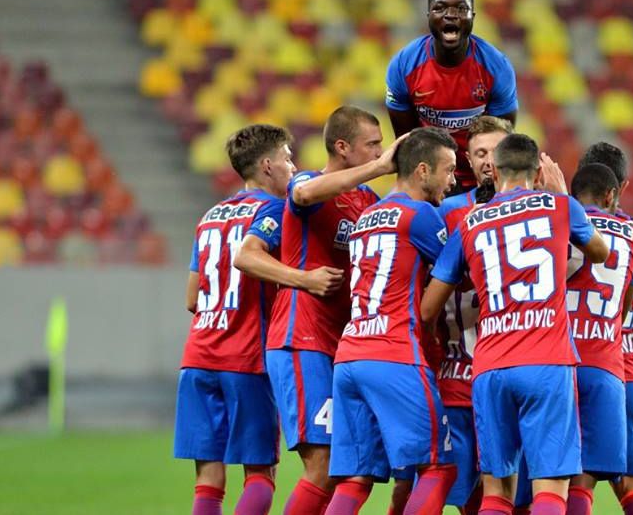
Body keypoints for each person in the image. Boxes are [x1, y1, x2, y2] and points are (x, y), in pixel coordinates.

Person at [422, 134, 608, 515]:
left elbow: (427, 309)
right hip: (547, 360)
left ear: (497, 171)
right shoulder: (558, 205)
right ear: (538, 171)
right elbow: (600, 252)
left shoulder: (471, 221)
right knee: (550, 487)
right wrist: (563, 197)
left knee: (496, 490)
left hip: (489, 365)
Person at [175, 124, 343, 515]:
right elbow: (254, 260)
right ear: (267, 165)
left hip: (197, 357)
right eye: (287, 158)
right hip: (245, 356)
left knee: (208, 477)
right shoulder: (274, 210)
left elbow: (191, 298)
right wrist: (303, 281)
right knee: (260, 474)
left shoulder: (211, 215)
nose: (293, 165)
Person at [264, 107, 401, 515]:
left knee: (351, 468)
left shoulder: (366, 201)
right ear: (342, 147)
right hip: (301, 338)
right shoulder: (307, 181)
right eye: (372, 145)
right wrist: (378, 167)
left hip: (342, 349)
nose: (381, 152)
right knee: (323, 466)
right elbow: (303, 196)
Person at [326, 127, 459, 515]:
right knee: (438, 466)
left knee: (355, 478)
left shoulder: (367, 215)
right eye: (448, 170)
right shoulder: (419, 215)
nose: (451, 181)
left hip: (350, 354)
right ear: (422, 171)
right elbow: (458, 271)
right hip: (394, 352)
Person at [435, 115, 512, 514]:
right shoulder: (446, 211)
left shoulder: (535, 209)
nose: (487, 161)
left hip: (509, 368)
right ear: (467, 157)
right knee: (466, 495)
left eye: (496, 152)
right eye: (479, 152)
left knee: (515, 493)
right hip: (457, 372)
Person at [577, 142, 633, 515]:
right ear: (619, 188)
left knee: (570, 477)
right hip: (623, 357)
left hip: (574, 352)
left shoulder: (563, 222)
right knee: (629, 482)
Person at [563, 163, 633, 515]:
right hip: (609, 361)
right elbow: (624, 306)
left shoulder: (556, 221)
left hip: (556, 359)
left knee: (538, 480)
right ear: (613, 193)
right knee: (599, 478)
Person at [385, 0, 518, 191]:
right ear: (429, 16)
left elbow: (500, 140)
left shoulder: (497, 67)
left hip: (480, 179)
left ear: (472, 16)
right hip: (430, 177)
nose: (450, 14)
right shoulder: (403, 66)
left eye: (461, 8)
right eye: (440, 8)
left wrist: (488, 189)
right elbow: (408, 143)